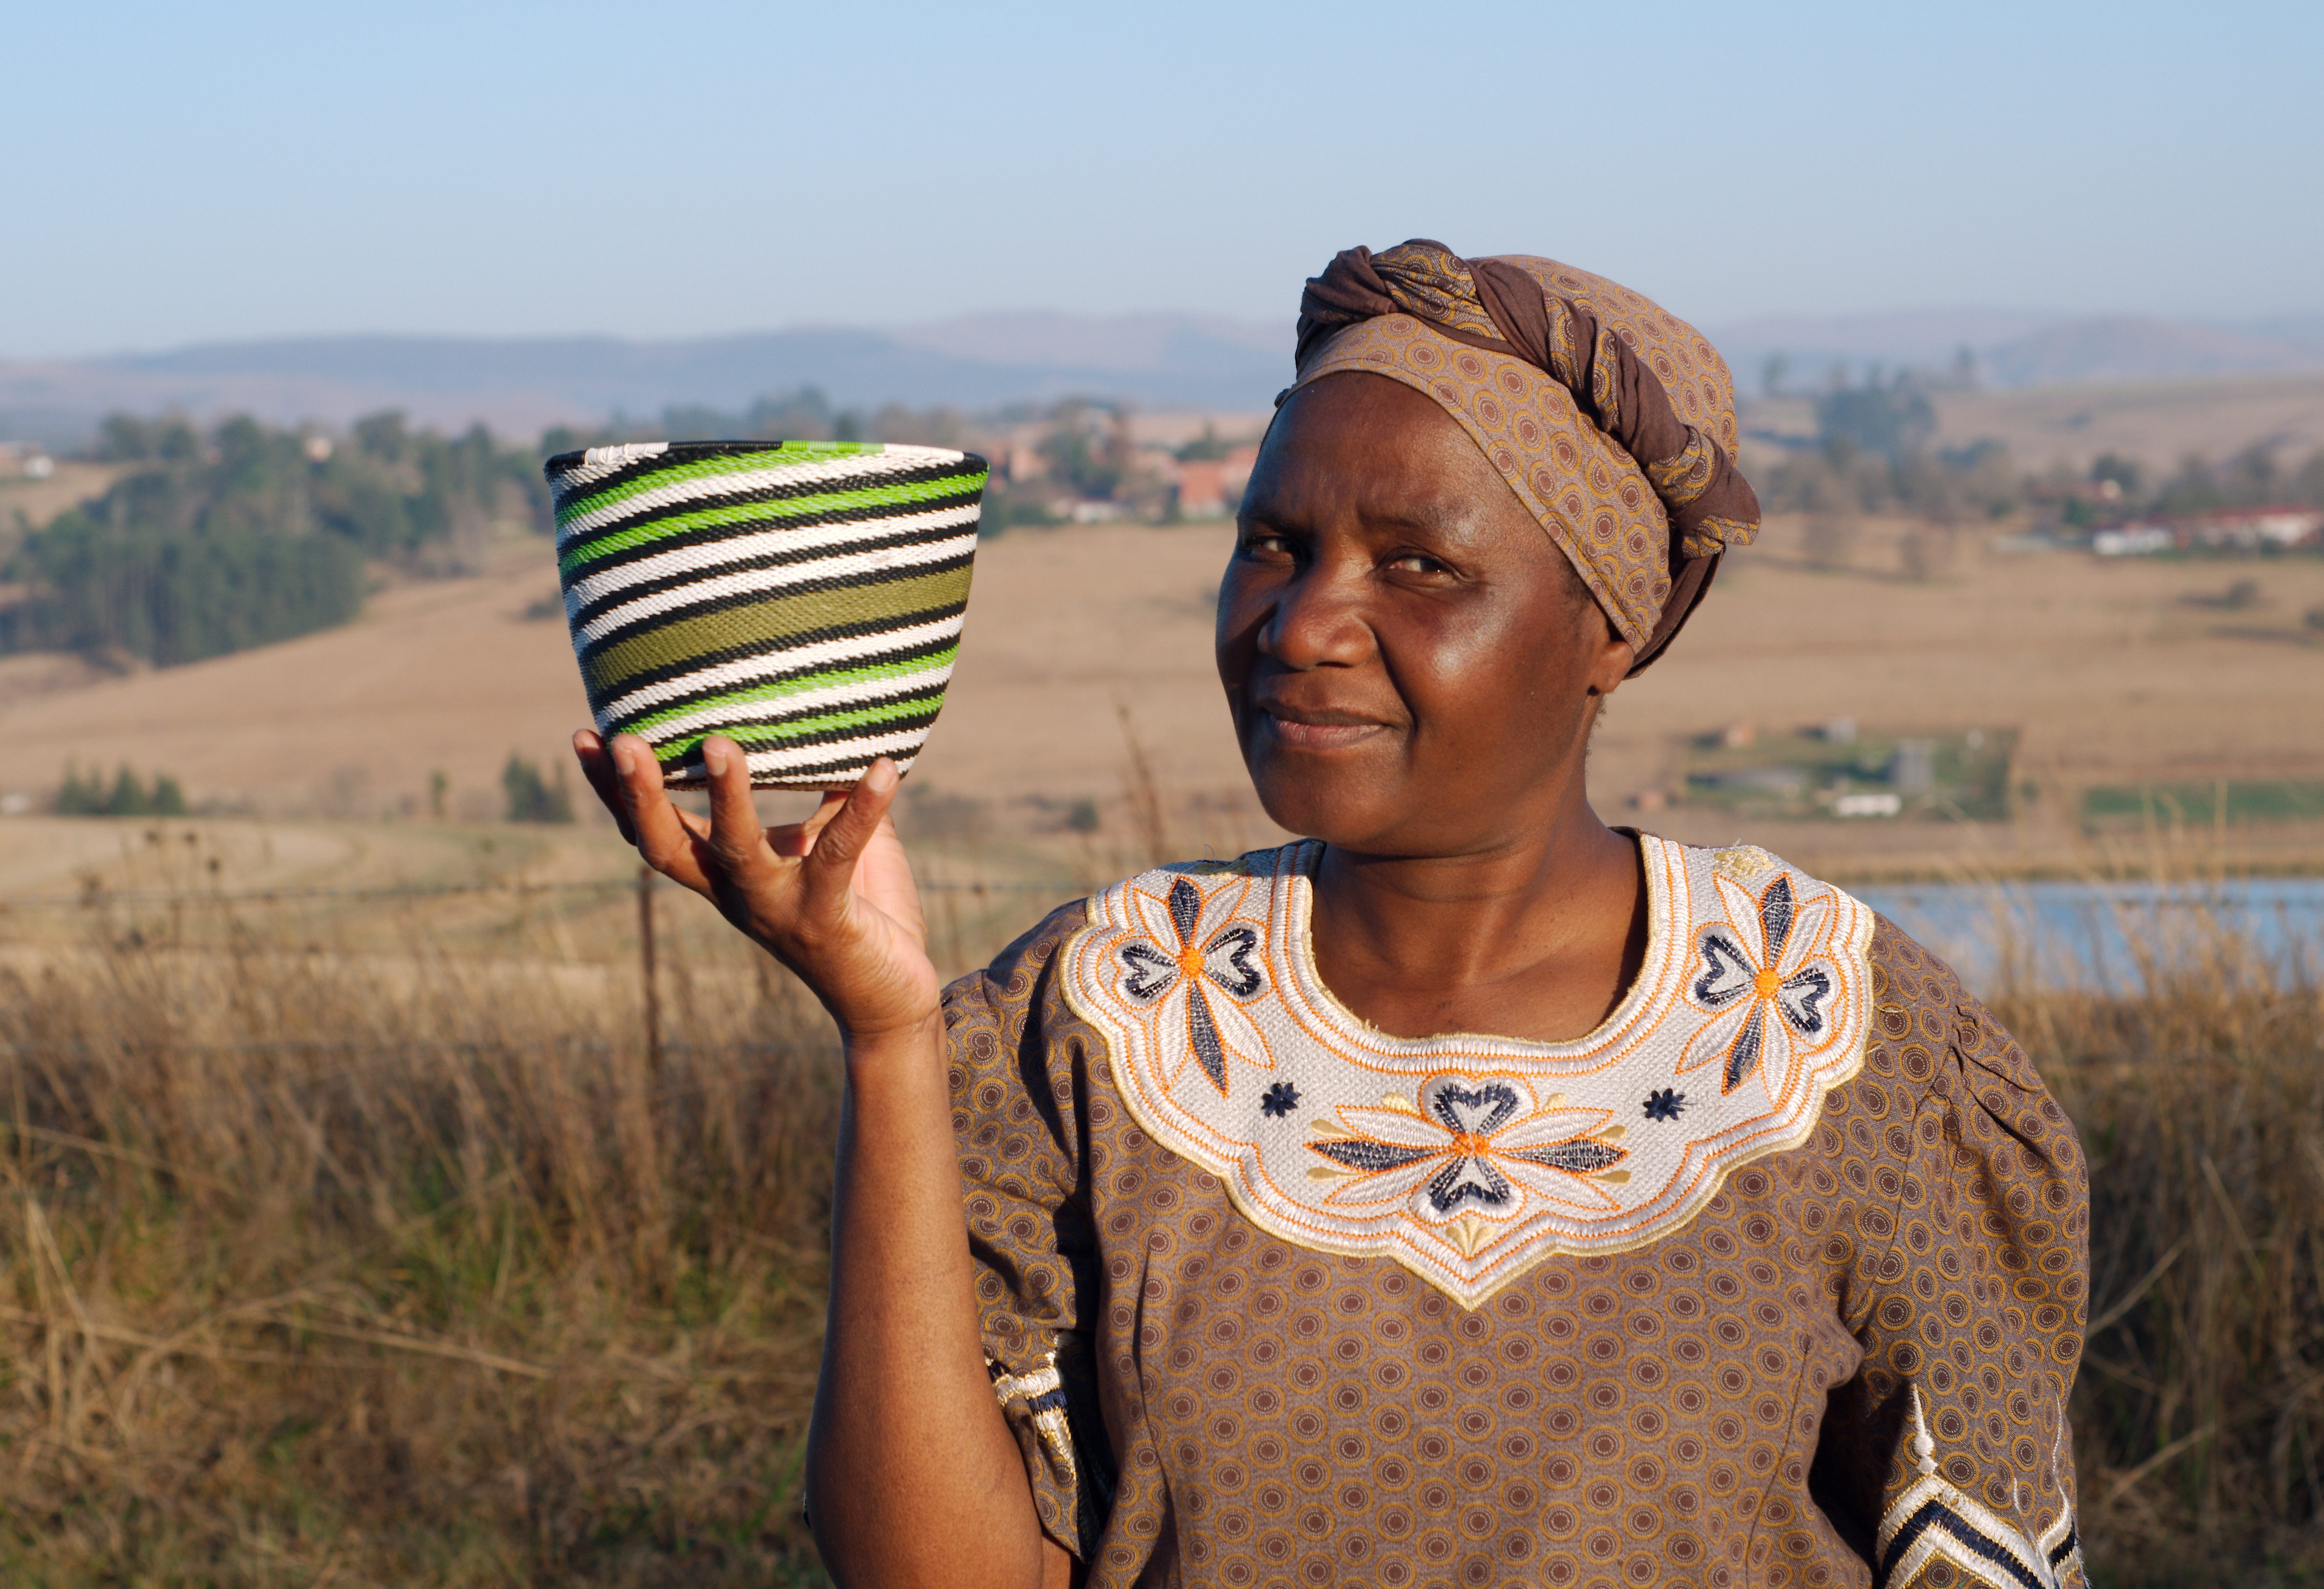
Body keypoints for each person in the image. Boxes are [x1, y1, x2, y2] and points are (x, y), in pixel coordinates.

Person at [573, 242, 2090, 1589]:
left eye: (1419, 565)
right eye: (1273, 545)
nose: (1300, 627)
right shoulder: (1103, 1015)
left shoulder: (1837, 1037)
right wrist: (888, 1037)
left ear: (1610, 631)